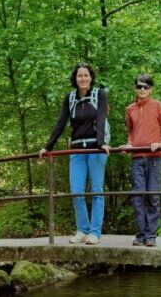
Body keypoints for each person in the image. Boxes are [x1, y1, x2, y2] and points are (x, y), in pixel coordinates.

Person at [39, 64, 111, 245]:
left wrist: (102, 143)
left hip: (95, 149)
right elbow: (61, 122)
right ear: (75, 78)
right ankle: (82, 229)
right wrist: (48, 147)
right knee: (76, 191)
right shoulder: (69, 98)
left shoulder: (100, 94)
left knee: (96, 190)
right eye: (80, 76)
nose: (83, 79)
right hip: (77, 150)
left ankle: (94, 232)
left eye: (86, 75)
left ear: (91, 78)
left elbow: (101, 118)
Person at [124, 73, 161, 247]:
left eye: (146, 87)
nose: (142, 90)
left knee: (152, 195)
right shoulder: (130, 109)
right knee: (138, 196)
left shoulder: (157, 105)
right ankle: (140, 234)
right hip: (137, 157)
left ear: (151, 89)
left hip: (155, 158)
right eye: (139, 86)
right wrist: (129, 144)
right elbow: (131, 132)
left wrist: (160, 143)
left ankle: (151, 236)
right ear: (134, 88)